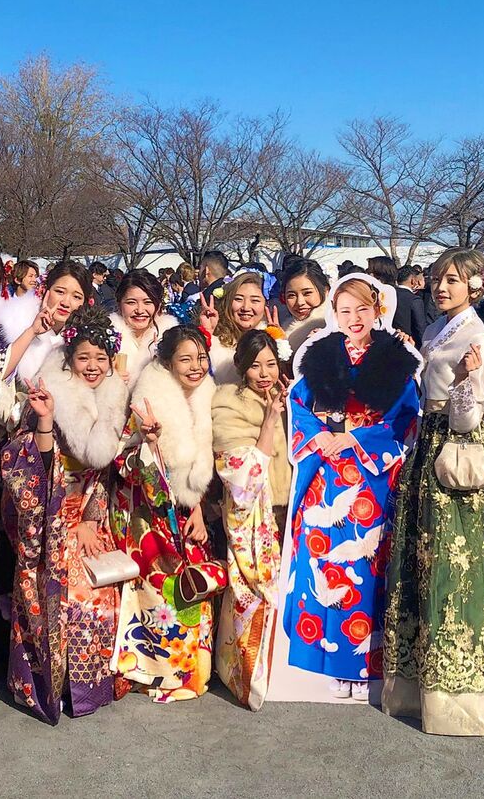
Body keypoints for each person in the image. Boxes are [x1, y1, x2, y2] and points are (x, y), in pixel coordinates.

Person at [385, 249, 484, 735]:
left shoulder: (478, 337)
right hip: (430, 442)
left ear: (477, 284)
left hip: (460, 449)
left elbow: (472, 411)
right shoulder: (437, 330)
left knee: (461, 559)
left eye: (452, 279)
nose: (441, 286)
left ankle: (469, 685)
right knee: (429, 554)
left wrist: (462, 379)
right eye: (437, 279)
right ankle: (422, 678)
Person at [284, 273, 420, 699]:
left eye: (363, 308)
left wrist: (357, 438)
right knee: (325, 563)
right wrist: (319, 434)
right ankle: (330, 661)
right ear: (334, 314)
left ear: (378, 309)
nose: (354, 317)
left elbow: (405, 417)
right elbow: (297, 403)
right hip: (327, 475)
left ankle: (364, 665)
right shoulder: (321, 355)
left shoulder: (394, 358)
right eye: (345, 310)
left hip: (371, 481)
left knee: (366, 568)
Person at [0, 306, 130, 722]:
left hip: (92, 511)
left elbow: (108, 468)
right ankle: (53, 686)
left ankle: (92, 686)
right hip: (52, 515)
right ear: (69, 359)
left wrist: (92, 517)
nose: (92, 367)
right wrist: (45, 421)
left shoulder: (114, 398)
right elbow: (21, 464)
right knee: (62, 591)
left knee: (98, 592)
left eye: (100, 358)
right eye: (83, 358)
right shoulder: (47, 392)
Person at [114, 325, 217, 702]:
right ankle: (157, 672)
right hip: (151, 514)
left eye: (201, 358)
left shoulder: (208, 396)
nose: (195, 367)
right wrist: (150, 442)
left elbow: (209, 462)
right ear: (166, 362)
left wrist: (200, 510)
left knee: (193, 592)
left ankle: (192, 670)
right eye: (185, 359)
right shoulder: (146, 399)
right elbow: (122, 461)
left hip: (191, 512)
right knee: (159, 597)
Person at [211, 329, 291, 709]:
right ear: (241, 367)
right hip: (251, 513)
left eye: (271, 364)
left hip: (284, 506)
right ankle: (248, 672)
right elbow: (242, 474)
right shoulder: (228, 402)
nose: (264, 373)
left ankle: (281, 669)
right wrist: (271, 419)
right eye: (255, 365)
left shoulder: (287, 398)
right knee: (252, 588)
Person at [199, 270, 278, 385]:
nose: (246, 307)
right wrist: (205, 335)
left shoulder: (275, 338)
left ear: (266, 305)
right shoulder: (215, 341)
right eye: (238, 299)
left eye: (255, 300)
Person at [108, 268, 178, 383]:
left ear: (159, 305)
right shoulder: (105, 338)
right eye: (131, 302)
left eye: (148, 302)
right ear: (119, 304)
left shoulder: (172, 337)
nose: (140, 310)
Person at [368, 255, 422, 347]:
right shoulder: (368, 296)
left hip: (400, 347)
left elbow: (420, 330)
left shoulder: (407, 298)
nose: (367, 275)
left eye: (370, 271)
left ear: (379, 274)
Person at [280, 259, 329, 353]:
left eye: (307, 293)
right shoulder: (285, 328)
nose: (300, 302)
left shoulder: (336, 327)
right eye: (291, 295)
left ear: (326, 291)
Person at [396, 265, 429, 344]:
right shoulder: (414, 300)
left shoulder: (389, 295)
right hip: (409, 343)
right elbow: (420, 327)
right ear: (413, 281)